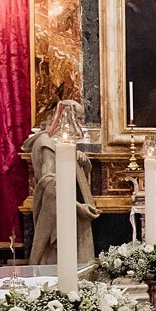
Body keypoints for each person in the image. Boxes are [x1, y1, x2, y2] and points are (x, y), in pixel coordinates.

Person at [24, 98, 94, 267]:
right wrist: (78, 207)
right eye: (77, 118)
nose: (80, 124)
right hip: (55, 211)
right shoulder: (47, 143)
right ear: (64, 116)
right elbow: (50, 183)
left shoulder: (61, 142)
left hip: (66, 204)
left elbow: (72, 177)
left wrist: (83, 163)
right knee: (58, 262)